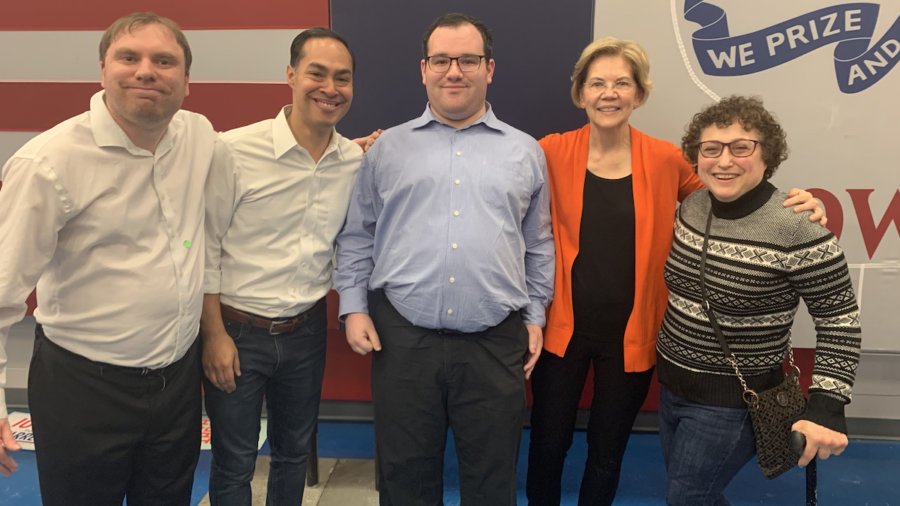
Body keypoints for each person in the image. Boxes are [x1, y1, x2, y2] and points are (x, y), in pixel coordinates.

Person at [527, 38, 825, 505]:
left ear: (639, 94)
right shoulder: (549, 153)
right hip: (560, 331)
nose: (609, 93)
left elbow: (733, 192)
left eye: (622, 83)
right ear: (580, 93)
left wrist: (796, 201)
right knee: (547, 444)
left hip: (634, 335)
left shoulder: (665, 159)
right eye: (597, 83)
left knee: (608, 450)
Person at [334, 12, 554, 505]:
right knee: (404, 480)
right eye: (441, 60)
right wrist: (352, 306)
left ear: (489, 68)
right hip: (403, 342)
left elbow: (538, 244)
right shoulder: (387, 149)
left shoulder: (525, 152)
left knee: (492, 482)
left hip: (496, 342)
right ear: (423, 69)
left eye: (468, 60)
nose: (454, 71)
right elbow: (357, 236)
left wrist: (535, 313)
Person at [0, 12, 216, 505]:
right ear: (102, 71)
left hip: (177, 382)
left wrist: (335, 155)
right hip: (83, 390)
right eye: (129, 57)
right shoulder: (48, 164)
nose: (146, 71)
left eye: (164, 61)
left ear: (186, 81)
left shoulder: (198, 135)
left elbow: (253, 164)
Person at [656, 95, 861, 505]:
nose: (724, 160)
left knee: (688, 496)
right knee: (696, 493)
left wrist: (826, 406)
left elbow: (839, 320)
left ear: (767, 154)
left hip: (731, 402)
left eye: (741, 147)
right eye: (711, 149)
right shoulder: (693, 205)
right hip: (671, 386)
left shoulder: (798, 229)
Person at [201, 28, 370, 504]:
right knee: (233, 462)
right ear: (291, 75)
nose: (329, 88)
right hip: (236, 331)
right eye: (316, 73)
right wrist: (213, 336)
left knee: (294, 453)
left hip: (306, 331)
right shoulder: (232, 151)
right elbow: (204, 248)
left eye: (343, 78)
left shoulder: (352, 160)